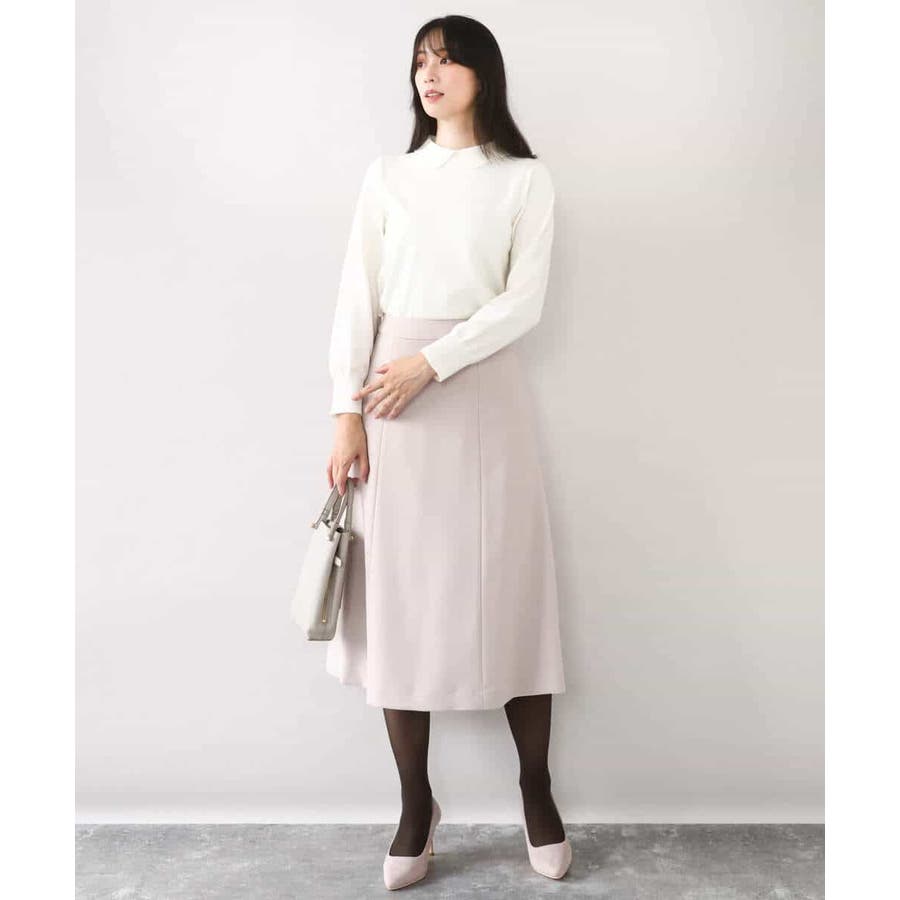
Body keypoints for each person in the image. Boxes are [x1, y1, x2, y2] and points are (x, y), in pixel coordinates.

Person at [323, 15, 571, 889]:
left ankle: (536, 788)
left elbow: (522, 303)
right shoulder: (388, 177)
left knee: (509, 583)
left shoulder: (525, 179)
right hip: (391, 395)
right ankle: (414, 804)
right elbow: (357, 296)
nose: (431, 74)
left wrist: (433, 362)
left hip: (478, 386)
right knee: (400, 596)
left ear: (482, 75)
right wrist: (344, 412)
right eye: (421, 61)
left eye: (449, 59)